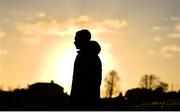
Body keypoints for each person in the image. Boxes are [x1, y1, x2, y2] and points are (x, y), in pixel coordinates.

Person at [70, 29, 102, 109]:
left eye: (76, 39)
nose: (74, 42)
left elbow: (81, 81)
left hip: (84, 102)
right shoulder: (88, 55)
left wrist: (74, 100)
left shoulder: (86, 57)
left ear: (82, 40)